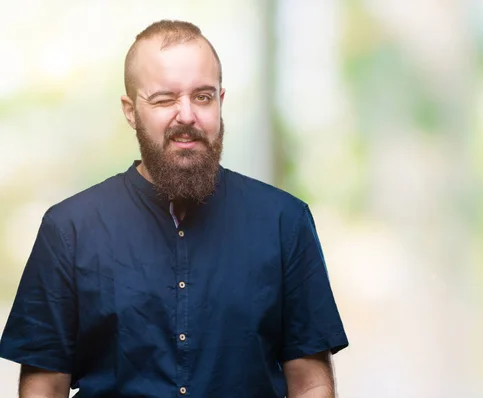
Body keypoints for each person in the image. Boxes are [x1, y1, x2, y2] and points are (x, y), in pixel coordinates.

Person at [0, 20, 348, 398]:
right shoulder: (68, 230)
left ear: (221, 101)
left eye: (202, 96)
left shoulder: (285, 222)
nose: (186, 115)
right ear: (130, 111)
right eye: (165, 99)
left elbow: (310, 381)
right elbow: (45, 386)